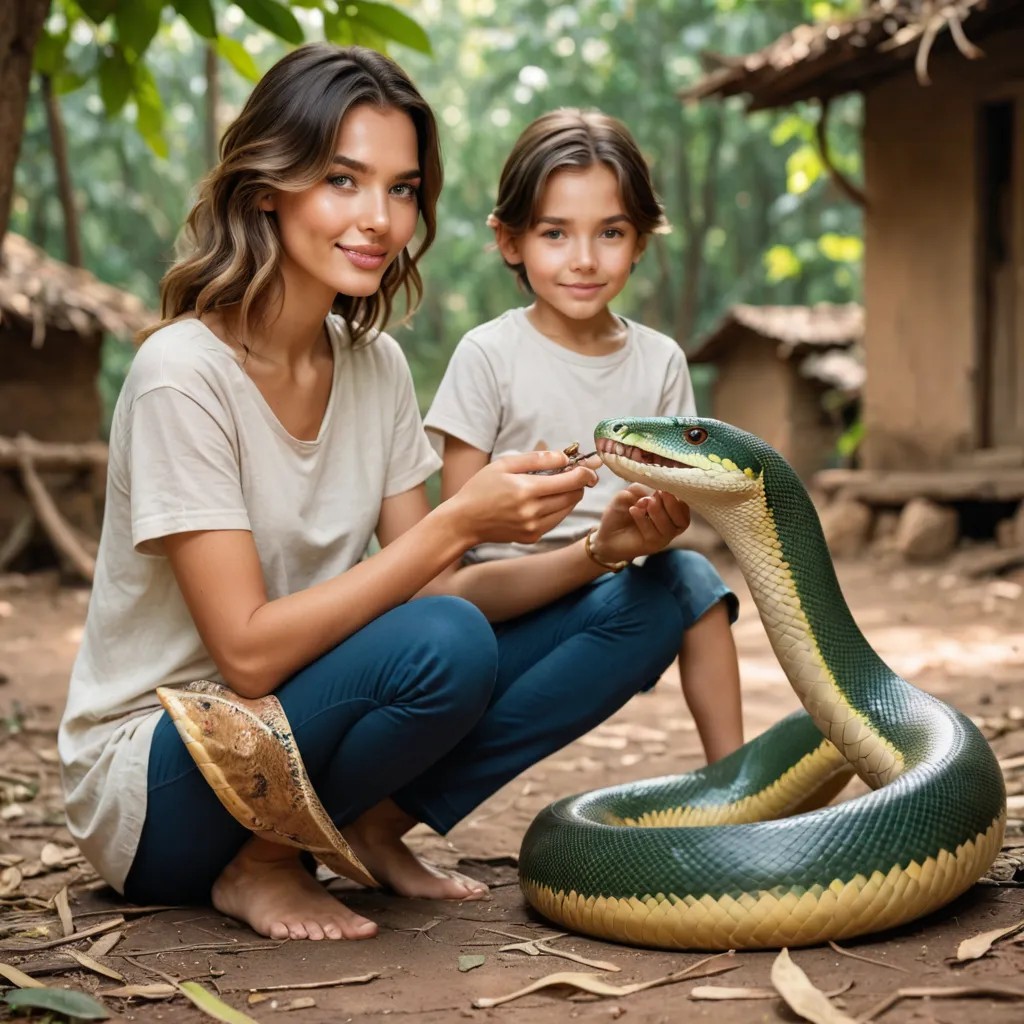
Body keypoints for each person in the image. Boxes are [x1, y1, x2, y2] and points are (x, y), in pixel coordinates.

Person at [58, 45, 696, 945]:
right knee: (440, 642)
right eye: (343, 180)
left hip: (300, 738)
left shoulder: (376, 365)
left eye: (402, 189)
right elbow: (243, 656)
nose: (379, 218)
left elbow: (444, 587)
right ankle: (262, 863)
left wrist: (600, 551)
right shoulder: (181, 375)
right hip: (160, 784)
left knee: (658, 596)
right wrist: (455, 524)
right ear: (267, 186)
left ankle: (357, 827)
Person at [425, 108, 743, 765]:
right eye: (554, 233)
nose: (585, 259)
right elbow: (454, 550)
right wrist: (586, 544)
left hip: (614, 588)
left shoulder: (660, 362)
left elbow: (677, 505)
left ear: (642, 240)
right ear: (510, 240)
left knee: (693, 580)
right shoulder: (488, 355)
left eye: (611, 232)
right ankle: (386, 820)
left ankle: (738, 782)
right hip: (502, 600)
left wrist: (658, 520)